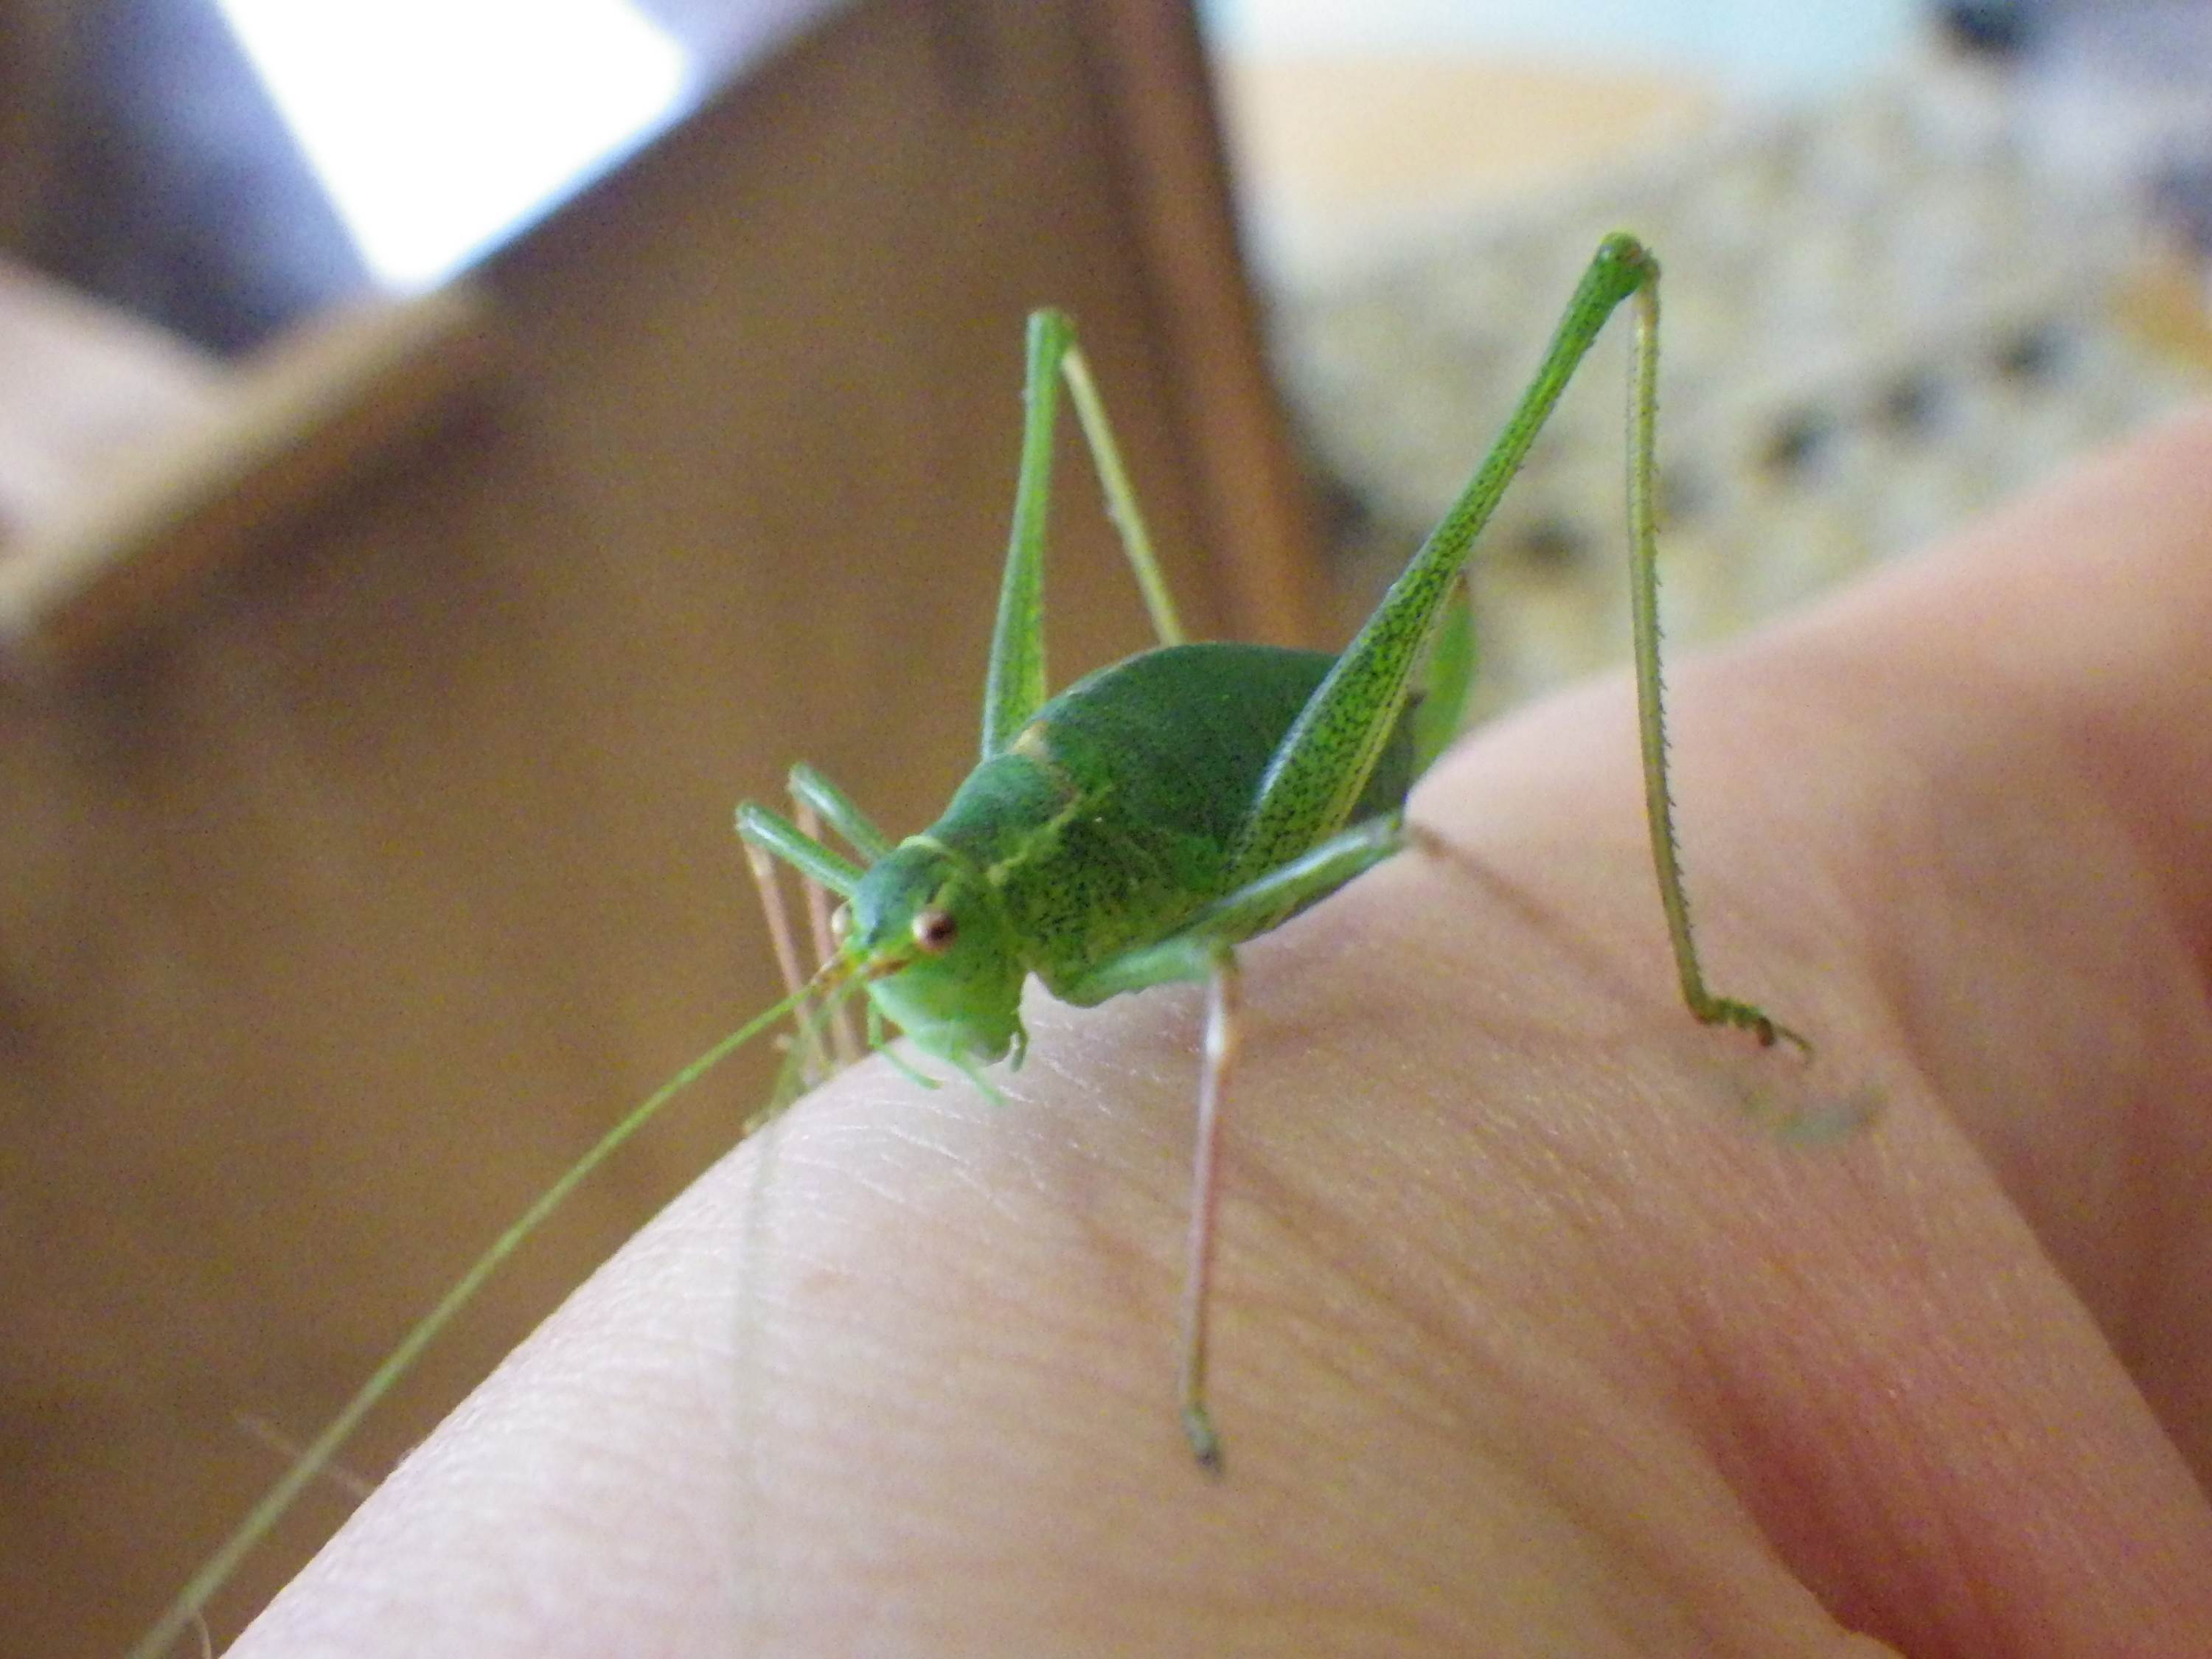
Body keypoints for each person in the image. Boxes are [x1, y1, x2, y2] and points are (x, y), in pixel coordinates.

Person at [230, 411, 2212, 1655]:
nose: (908, 971)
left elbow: (1240, 989)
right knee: (907, 615)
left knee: (1375, 803)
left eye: (916, 955)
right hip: (1094, 773)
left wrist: (1195, 1378)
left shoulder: (1115, 929)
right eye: (890, 959)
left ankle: (1682, 993)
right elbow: (791, 834)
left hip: (1268, 797)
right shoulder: (903, 890)